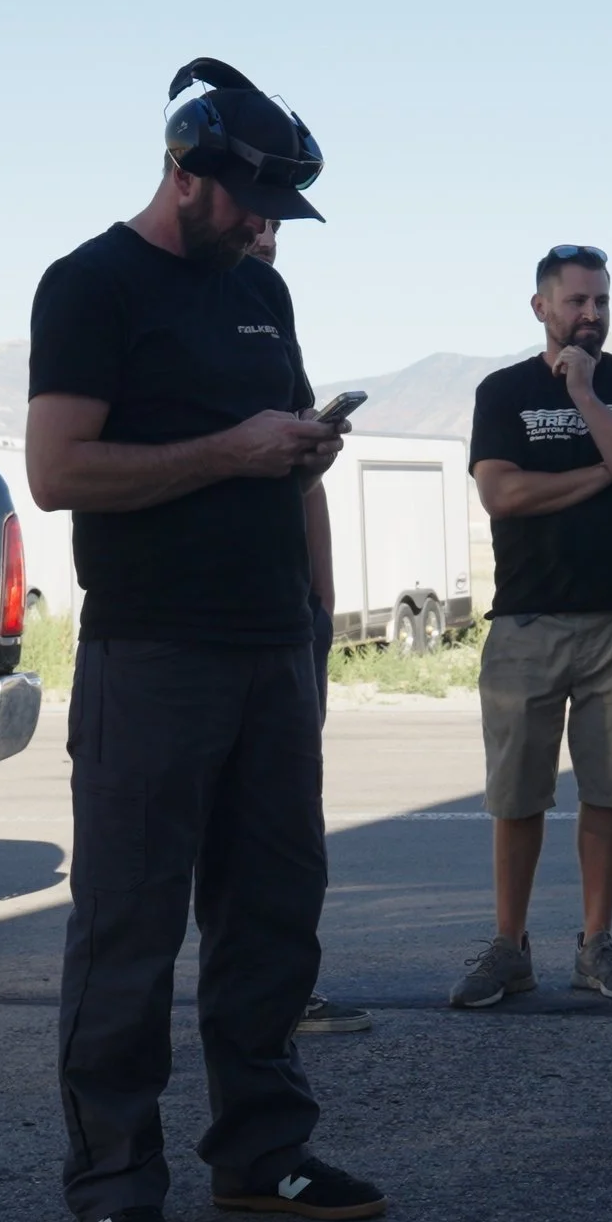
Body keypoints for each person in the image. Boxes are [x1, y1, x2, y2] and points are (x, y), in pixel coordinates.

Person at [26, 59, 386, 1222]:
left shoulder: (260, 293)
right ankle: (117, 1183)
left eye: (279, 206)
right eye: (249, 200)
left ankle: (263, 1154)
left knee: (274, 915)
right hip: (152, 654)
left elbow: (272, 454)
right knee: (128, 925)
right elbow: (60, 470)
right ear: (185, 171)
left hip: (269, 646)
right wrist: (231, 450)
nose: (264, 225)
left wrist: (298, 471)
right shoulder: (89, 286)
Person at [449, 244, 612, 1010]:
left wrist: (586, 398)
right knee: (515, 796)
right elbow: (503, 496)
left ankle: (596, 944)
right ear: (541, 307)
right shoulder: (502, 391)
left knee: (607, 792)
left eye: (602, 302)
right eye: (577, 301)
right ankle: (509, 948)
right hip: (526, 619)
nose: (591, 315)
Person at [248, 216, 373, 1037]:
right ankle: (258, 998)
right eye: (255, 229)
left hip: (292, 620)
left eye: (274, 233)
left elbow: (306, 485)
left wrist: (322, 602)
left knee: (290, 824)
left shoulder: (271, 322)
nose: (266, 240)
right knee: (235, 831)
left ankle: (288, 991)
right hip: (205, 623)